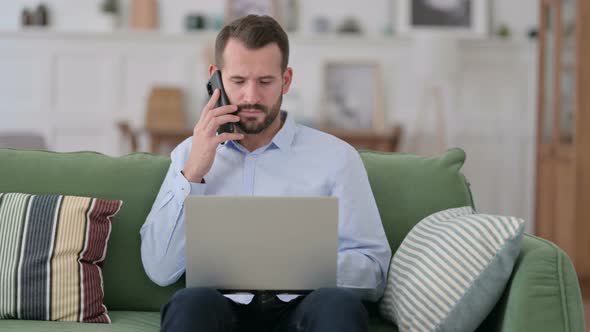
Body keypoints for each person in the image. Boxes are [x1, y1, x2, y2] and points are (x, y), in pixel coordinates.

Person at [140, 14, 391, 332]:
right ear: (215, 79)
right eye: (238, 81)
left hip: (304, 308)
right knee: (189, 304)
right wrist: (193, 174)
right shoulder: (189, 154)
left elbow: (375, 273)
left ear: (286, 80)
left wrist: (295, 264)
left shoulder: (337, 158)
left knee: (339, 306)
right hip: (219, 308)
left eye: (265, 82)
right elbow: (159, 269)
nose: (251, 97)